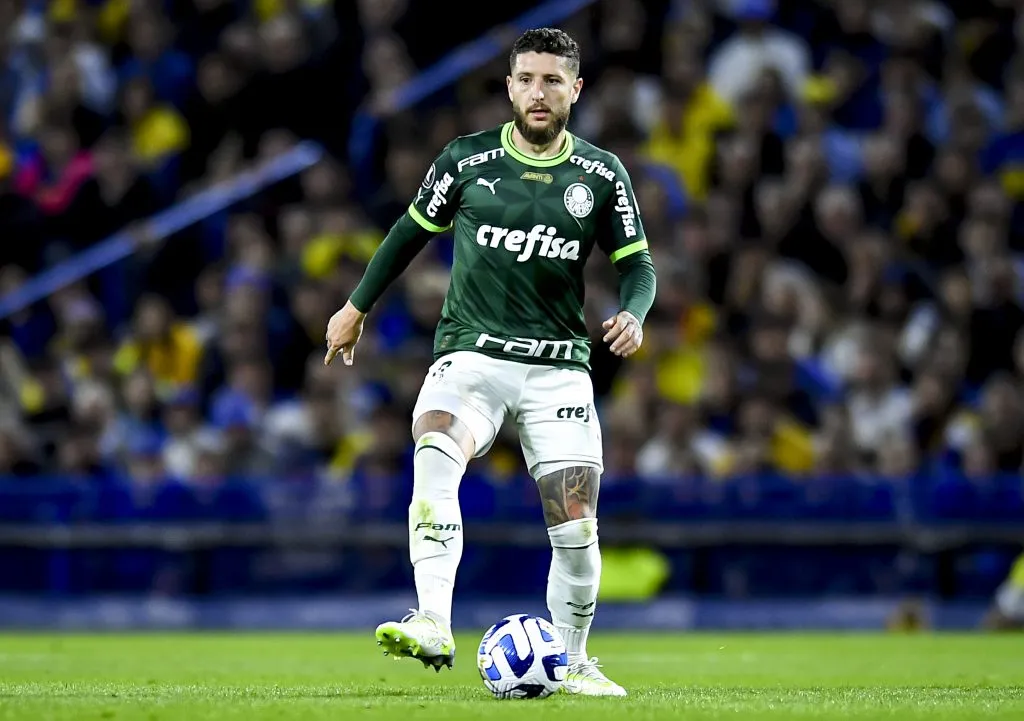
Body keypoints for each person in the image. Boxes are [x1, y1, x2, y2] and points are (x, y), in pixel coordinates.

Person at [324, 28, 656, 697]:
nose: (539, 92)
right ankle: (433, 619)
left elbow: (638, 266)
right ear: (509, 86)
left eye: (553, 80)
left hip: (558, 366)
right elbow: (408, 234)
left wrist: (634, 314)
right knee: (435, 443)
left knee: (577, 525)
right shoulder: (466, 162)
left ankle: (573, 659)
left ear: (575, 90)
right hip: (472, 355)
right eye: (527, 78)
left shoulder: (599, 174)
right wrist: (355, 306)